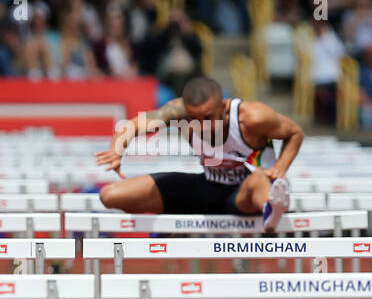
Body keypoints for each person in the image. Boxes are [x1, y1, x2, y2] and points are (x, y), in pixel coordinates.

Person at [94, 76, 302, 232]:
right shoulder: (178, 111)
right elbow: (134, 124)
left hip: (245, 192)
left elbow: (294, 133)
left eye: (208, 118)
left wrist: (280, 168)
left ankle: (271, 208)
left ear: (223, 106)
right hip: (208, 186)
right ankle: (174, 215)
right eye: (195, 118)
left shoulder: (252, 117)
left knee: (257, 179)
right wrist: (116, 150)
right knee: (110, 195)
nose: (201, 127)